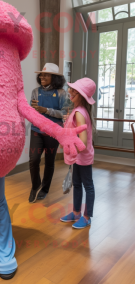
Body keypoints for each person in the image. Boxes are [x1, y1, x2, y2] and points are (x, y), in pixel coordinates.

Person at [60, 77, 96, 229]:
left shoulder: (79, 113)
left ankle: (86, 217)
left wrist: (70, 150)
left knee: (87, 185)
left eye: (74, 91)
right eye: (71, 89)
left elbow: (83, 141)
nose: (70, 92)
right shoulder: (78, 111)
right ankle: (76, 213)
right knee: (76, 184)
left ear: (81, 95)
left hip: (82, 157)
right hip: (78, 157)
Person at [29, 63, 68, 203]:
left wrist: (46, 110)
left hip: (53, 131)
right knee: (33, 160)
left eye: (45, 74)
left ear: (54, 77)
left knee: (49, 162)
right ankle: (35, 186)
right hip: (36, 130)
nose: (42, 76)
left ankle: (45, 189)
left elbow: (65, 113)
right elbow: (31, 110)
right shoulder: (35, 91)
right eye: (41, 74)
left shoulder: (62, 93)